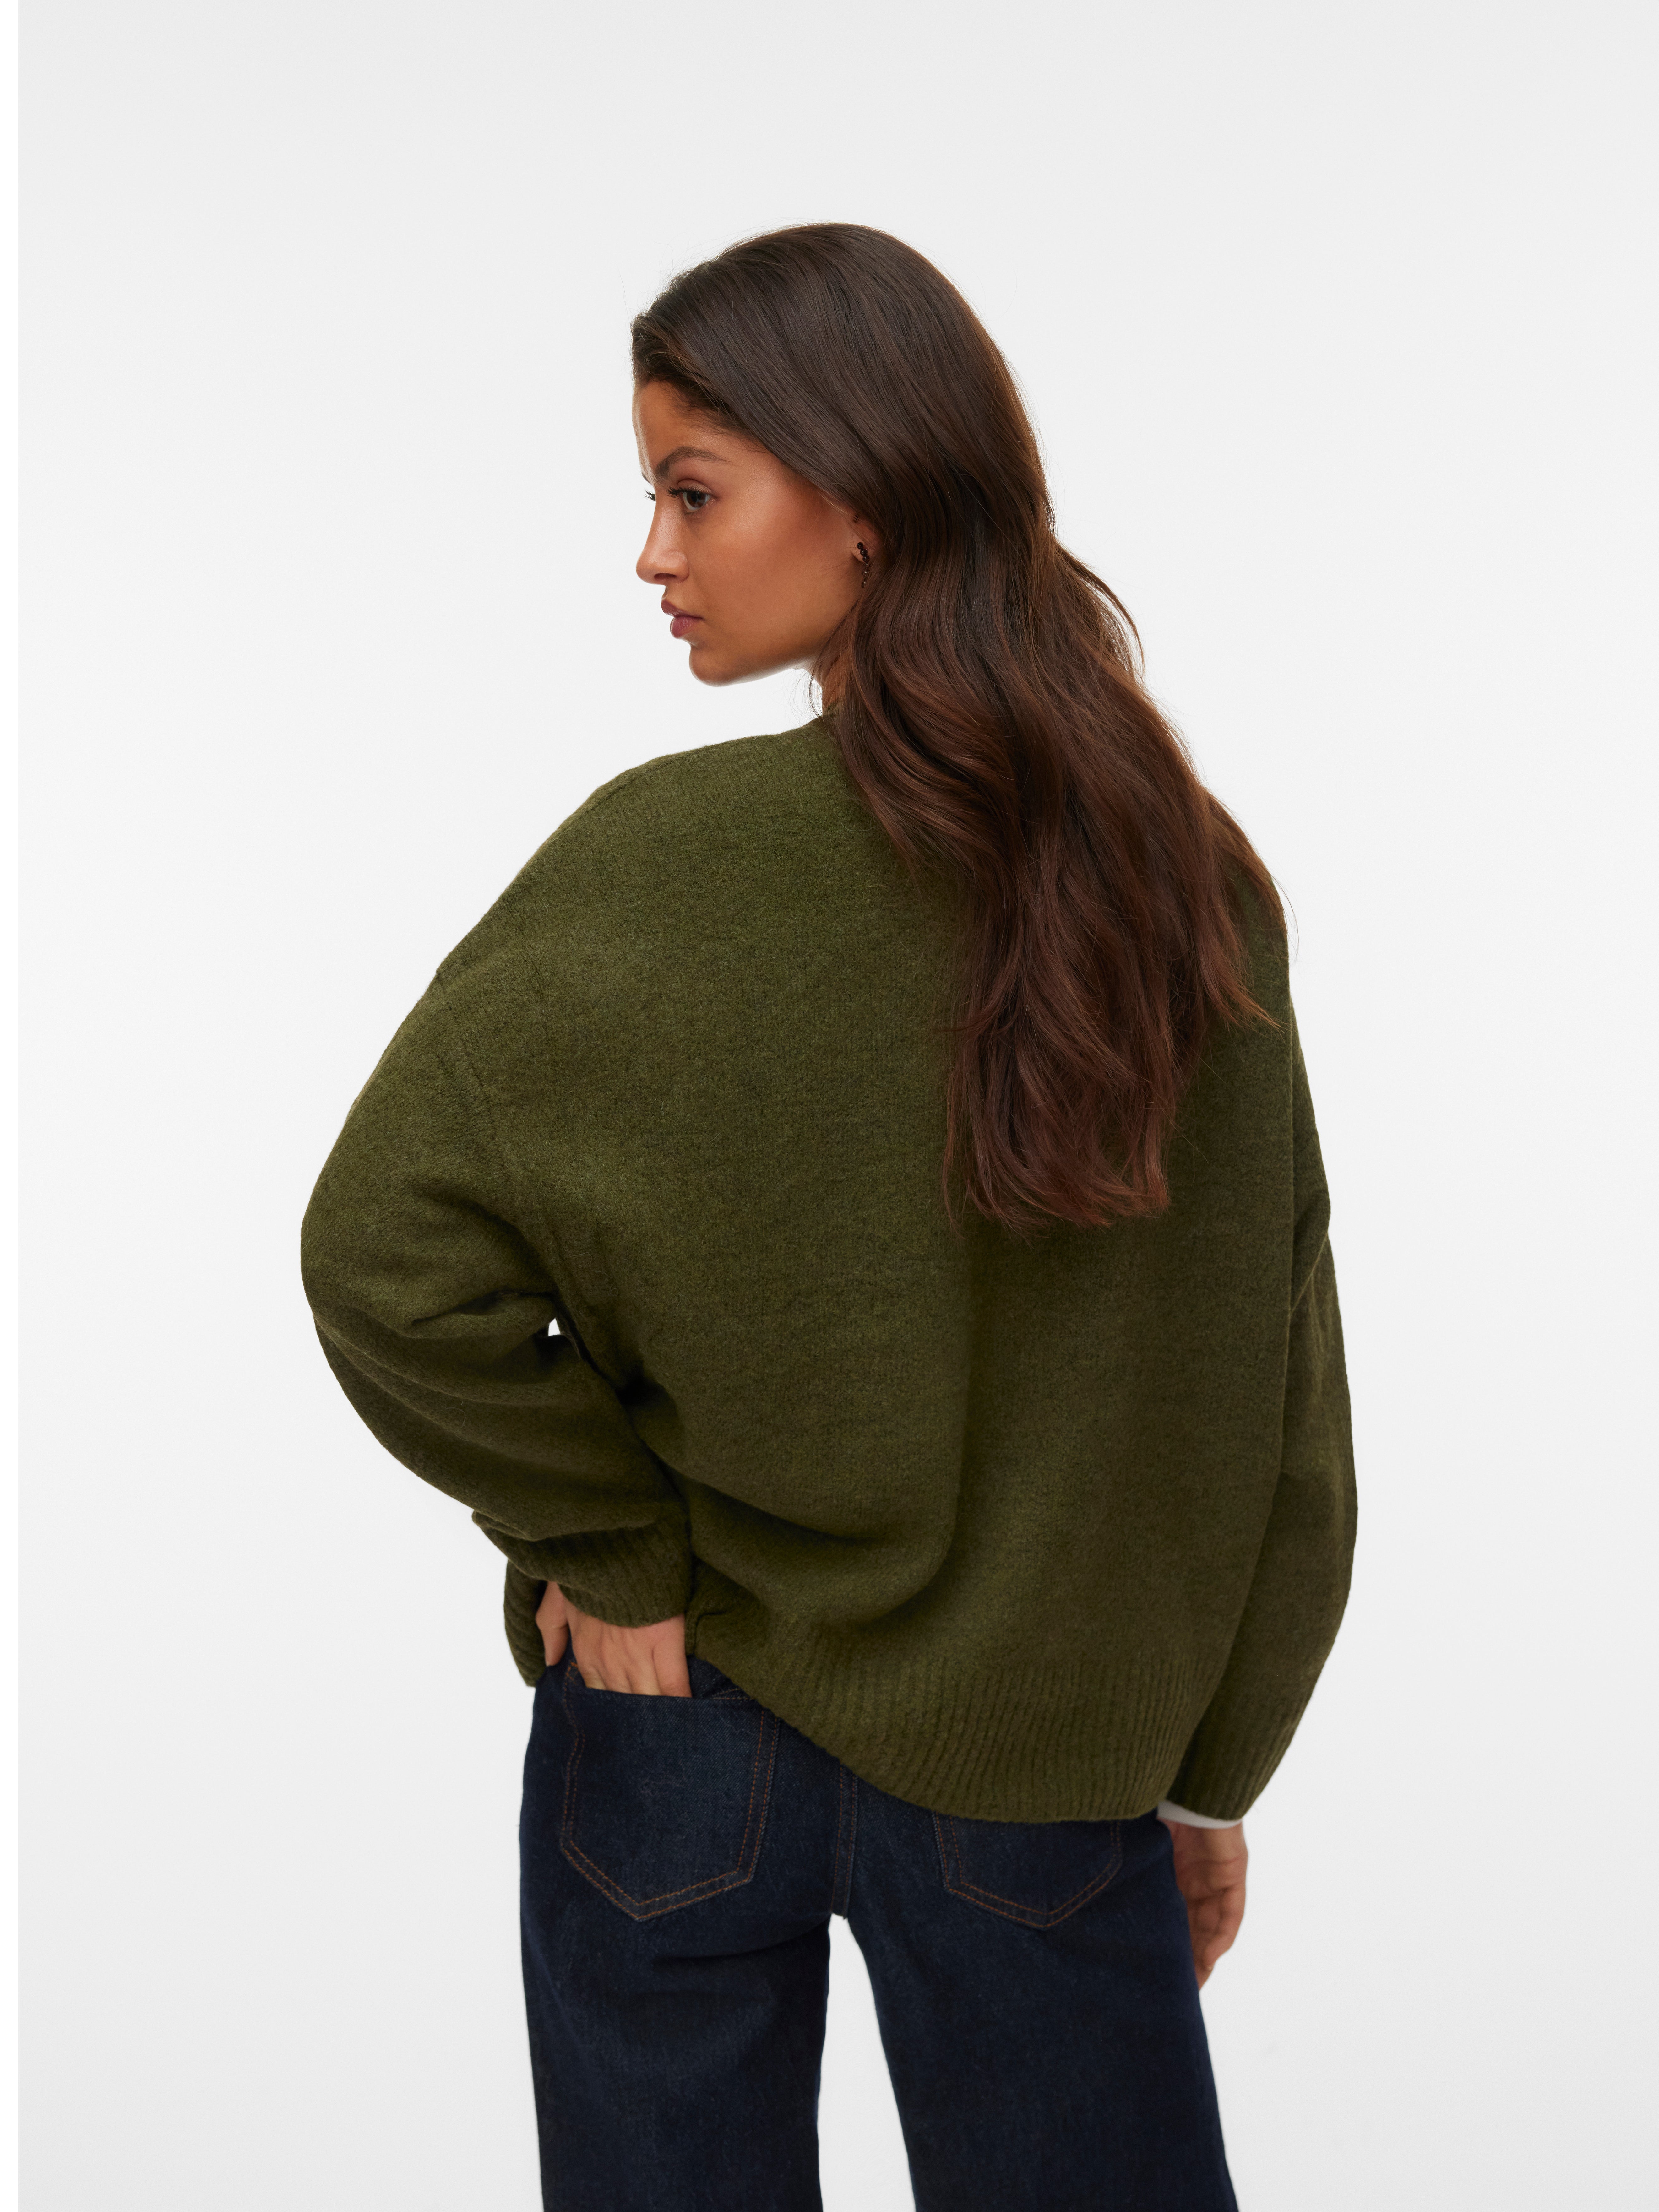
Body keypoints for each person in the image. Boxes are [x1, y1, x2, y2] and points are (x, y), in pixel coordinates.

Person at [300, 222, 1355, 2212]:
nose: (652, 553)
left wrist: (610, 1551)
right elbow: (1273, 1390)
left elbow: (382, 1260)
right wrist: (1209, 1768)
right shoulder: (1180, 887)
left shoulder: (653, 865)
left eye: (692, 491)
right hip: (1043, 1762)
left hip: (674, 1722)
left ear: (860, 498)